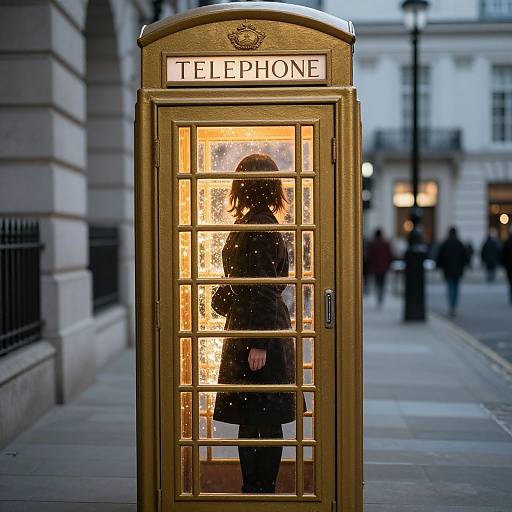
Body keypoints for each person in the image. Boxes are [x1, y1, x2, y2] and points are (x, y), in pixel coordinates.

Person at [211, 154, 295, 494]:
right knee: (258, 419)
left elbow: (261, 288)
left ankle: (259, 492)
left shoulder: (258, 227)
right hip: (258, 330)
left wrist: (258, 342)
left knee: (260, 421)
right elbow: (247, 280)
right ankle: (258, 490)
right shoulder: (259, 223)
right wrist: (224, 293)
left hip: (258, 335)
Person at [436, 227, 468, 317]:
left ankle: (451, 305)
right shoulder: (459, 243)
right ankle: (454, 305)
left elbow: (440, 257)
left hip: (448, 270)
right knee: (456, 288)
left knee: (450, 288)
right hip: (457, 270)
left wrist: (440, 267)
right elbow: (465, 257)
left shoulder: (445, 244)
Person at [366, 228, 394, 306]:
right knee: (383, 282)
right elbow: (390, 255)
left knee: (377, 282)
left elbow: (369, 256)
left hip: (375, 267)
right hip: (383, 266)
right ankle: (381, 295)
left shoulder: (372, 244)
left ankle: (379, 295)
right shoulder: (386, 243)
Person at [501, 226, 512, 304]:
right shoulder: (507, 242)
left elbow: (503, 255)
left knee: (511, 283)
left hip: (509, 267)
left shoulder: (507, 241)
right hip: (509, 266)